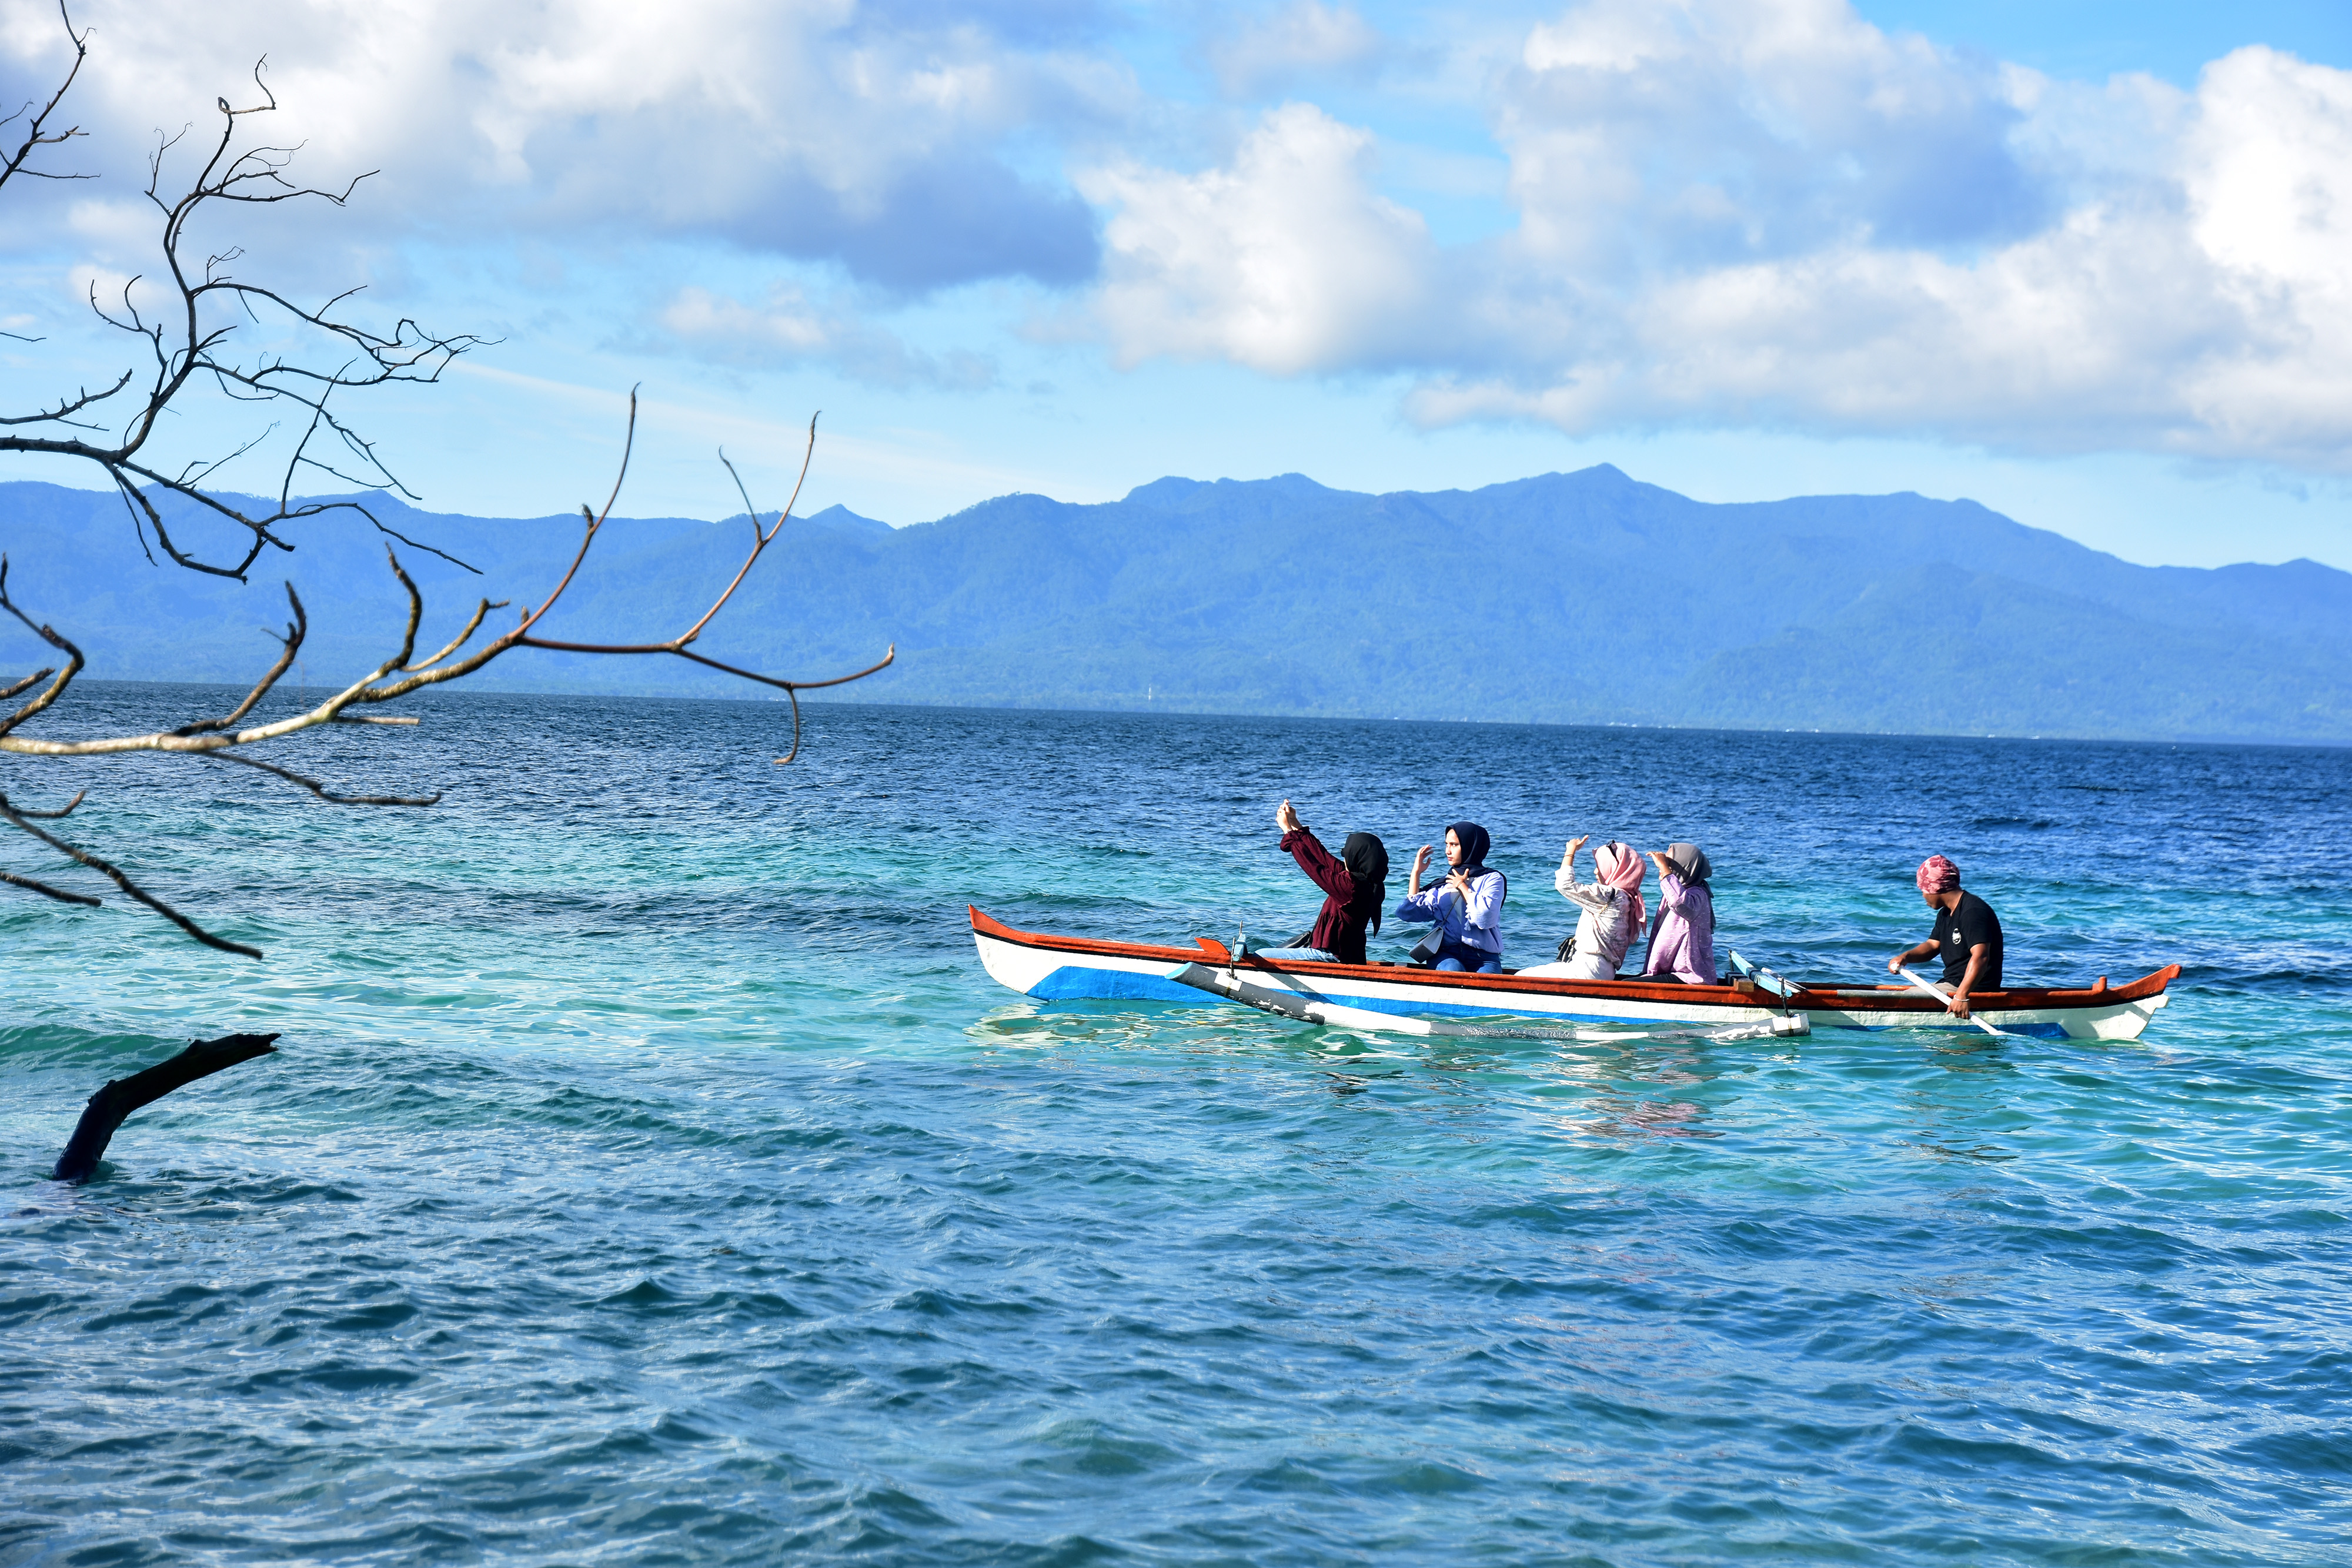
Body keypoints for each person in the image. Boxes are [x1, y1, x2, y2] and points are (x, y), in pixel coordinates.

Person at [1265, 798, 1388, 964]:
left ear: (1356, 858)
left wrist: (1287, 831)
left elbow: (1314, 868)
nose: (1343, 858)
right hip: (1349, 956)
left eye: (1346, 854)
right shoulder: (1369, 883)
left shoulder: (1351, 888)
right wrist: (1295, 824)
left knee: (1260, 955)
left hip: (1332, 957)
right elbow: (1322, 857)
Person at [1887, 854, 2003, 1018]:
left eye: (1923, 890)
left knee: (1899, 1001)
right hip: (1952, 984)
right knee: (1899, 996)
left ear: (1935, 888)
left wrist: (1962, 996)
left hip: (1974, 989)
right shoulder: (1945, 913)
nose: (1923, 896)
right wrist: (1906, 957)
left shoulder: (1973, 911)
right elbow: (1932, 945)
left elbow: (1981, 956)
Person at [1393, 821, 1506, 972]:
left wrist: (1462, 886)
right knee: (1454, 971)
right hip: (1446, 953)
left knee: (1487, 982)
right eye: (1447, 844)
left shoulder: (1493, 879)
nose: (1448, 851)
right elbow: (1408, 913)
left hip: (1483, 957)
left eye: (1454, 845)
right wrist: (1416, 873)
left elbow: (1485, 918)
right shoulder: (1444, 883)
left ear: (1470, 846)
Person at [1551, 835, 1645, 979]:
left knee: (1523, 976)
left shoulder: (1610, 895)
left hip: (1587, 969)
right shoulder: (1629, 898)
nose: (1596, 871)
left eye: (1601, 867)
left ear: (1615, 869)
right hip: (1605, 970)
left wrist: (1571, 850)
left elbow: (1564, 885)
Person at [1639, 842, 1717, 984]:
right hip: (1672, 971)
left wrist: (1665, 871)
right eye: (1665, 863)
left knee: (1624, 988)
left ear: (1686, 867)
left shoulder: (1698, 894)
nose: (1663, 868)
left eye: (1669, 864)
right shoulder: (1676, 892)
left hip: (1690, 975)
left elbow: (1681, 904)